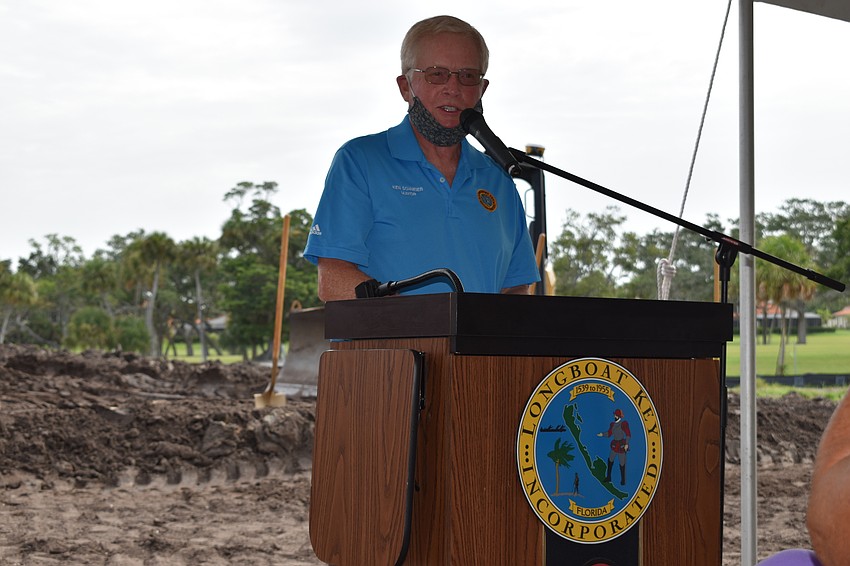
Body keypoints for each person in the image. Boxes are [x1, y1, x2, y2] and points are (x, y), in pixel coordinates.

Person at [303, 15, 540, 301]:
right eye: (437, 74)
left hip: (478, 348)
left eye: (467, 76)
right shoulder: (359, 161)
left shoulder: (499, 180)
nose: (453, 88)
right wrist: (424, 326)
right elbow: (333, 279)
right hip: (390, 348)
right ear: (405, 87)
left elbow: (515, 288)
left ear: (482, 89)